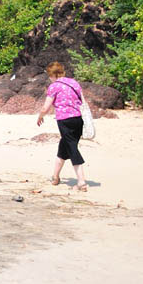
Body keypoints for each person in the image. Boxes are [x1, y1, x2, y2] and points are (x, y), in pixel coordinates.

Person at [37, 61, 89, 191]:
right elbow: (82, 101)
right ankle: (55, 177)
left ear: (53, 74)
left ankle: (81, 182)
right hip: (78, 119)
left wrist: (40, 117)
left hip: (64, 120)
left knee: (72, 148)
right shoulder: (74, 83)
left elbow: (46, 106)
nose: (49, 78)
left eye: (49, 75)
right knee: (64, 147)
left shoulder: (54, 86)